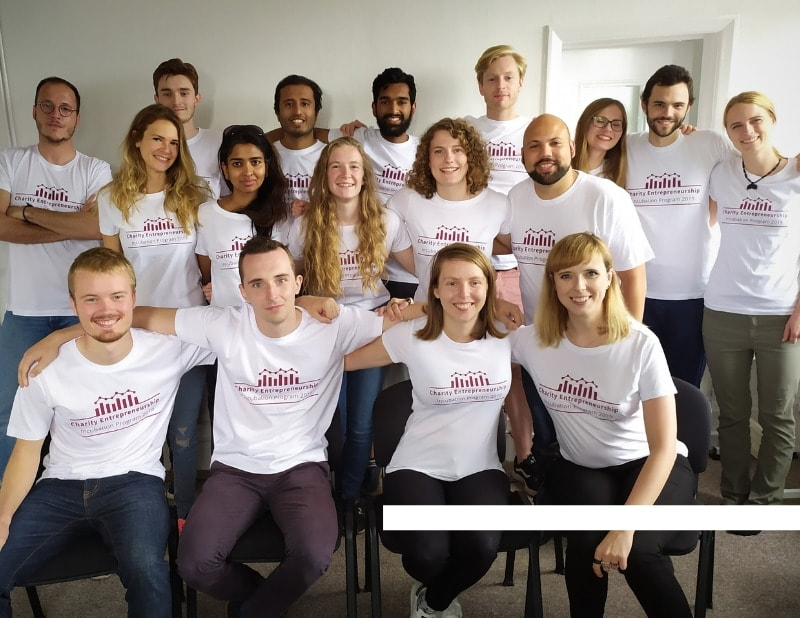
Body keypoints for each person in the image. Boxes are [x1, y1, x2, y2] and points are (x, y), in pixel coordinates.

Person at [0, 247, 214, 618]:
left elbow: (242, 326)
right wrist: (3, 517)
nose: (105, 309)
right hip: (59, 487)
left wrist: (303, 304)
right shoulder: (45, 367)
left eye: (116, 296)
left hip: (135, 484)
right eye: (91, 299)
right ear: (73, 304)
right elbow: (26, 451)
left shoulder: (169, 348)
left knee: (147, 571)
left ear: (133, 298)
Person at [511, 232, 695, 618]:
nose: (579, 286)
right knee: (586, 543)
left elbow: (664, 448)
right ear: (552, 283)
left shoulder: (640, 344)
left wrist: (625, 527)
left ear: (610, 278)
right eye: (566, 275)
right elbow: (466, 337)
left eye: (590, 273)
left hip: (650, 464)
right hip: (582, 468)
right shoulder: (532, 341)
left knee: (638, 552)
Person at [345, 243, 512, 618]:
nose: (463, 293)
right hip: (416, 465)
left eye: (474, 282)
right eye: (451, 283)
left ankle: (433, 601)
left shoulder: (508, 335)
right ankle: (436, 589)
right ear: (434, 288)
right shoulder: (412, 335)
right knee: (427, 553)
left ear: (489, 286)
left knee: (482, 548)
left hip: (479, 466)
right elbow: (346, 361)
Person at [507, 113, 653, 481]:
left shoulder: (606, 197)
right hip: (542, 341)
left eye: (555, 143)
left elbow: (633, 276)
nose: (545, 153)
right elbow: (497, 242)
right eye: (534, 146)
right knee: (546, 436)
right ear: (522, 155)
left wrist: (625, 342)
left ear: (572, 148)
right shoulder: (516, 198)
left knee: (594, 443)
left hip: (598, 342)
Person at [97, 103, 210, 527]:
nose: (166, 149)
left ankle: (185, 516)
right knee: (141, 430)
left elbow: (208, 262)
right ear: (137, 141)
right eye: (158, 139)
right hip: (139, 332)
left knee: (184, 434)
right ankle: (145, 515)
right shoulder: (112, 199)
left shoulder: (196, 196)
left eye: (174, 143)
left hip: (189, 330)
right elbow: (111, 273)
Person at [289, 137, 415, 499]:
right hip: (325, 330)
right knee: (336, 424)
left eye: (353, 166)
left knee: (361, 426)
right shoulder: (304, 225)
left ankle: (350, 499)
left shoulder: (387, 221)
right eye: (336, 166)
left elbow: (423, 269)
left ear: (365, 175)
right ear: (324, 174)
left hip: (372, 329)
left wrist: (409, 303)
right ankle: (329, 496)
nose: (345, 174)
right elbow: (290, 282)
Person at [0, 76, 112, 474]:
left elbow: (97, 228)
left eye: (65, 109)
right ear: (34, 111)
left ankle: (75, 486)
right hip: (23, 312)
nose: (55, 115)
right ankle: (10, 499)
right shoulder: (10, 161)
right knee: (10, 411)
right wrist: (72, 223)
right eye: (47, 106)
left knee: (84, 408)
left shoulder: (96, 169)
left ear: (76, 118)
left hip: (78, 312)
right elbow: (0, 226)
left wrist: (26, 212)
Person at [703, 91, 800, 505]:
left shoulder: (796, 174)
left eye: (756, 120)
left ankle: (765, 501)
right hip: (722, 312)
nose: (747, 131)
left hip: (781, 315)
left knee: (777, 415)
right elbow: (701, 224)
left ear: (772, 120)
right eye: (736, 125)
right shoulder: (721, 173)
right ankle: (734, 493)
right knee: (731, 413)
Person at [626, 65, 732, 387]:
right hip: (634, 291)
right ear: (644, 104)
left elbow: (744, 180)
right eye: (659, 104)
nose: (667, 113)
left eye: (677, 105)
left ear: (689, 107)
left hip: (693, 294)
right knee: (635, 387)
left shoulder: (710, 143)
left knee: (685, 389)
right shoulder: (625, 147)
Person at [387, 117, 511, 302]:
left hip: (476, 312)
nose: (448, 159)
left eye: (457, 150)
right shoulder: (408, 199)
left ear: (470, 156)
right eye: (439, 151)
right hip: (425, 311)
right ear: (427, 159)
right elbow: (381, 228)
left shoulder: (498, 204)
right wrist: (423, 271)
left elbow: (511, 245)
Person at [328, 67, 421, 299]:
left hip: (409, 272)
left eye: (401, 102)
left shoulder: (426, 150)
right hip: (364, 271)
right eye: (385, 101)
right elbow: (304, 135)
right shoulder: (358, 138)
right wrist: (259, 138)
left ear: (413, 107)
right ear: (374, 107)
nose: (393, 109)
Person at [196, 124, 289, 308]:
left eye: (255, 162)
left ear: (266, 166)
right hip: (223, 317)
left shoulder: (279, 213)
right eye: (237, 164)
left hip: (270, 315)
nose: (247, 172)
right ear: (225, 169)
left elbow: (285, 274)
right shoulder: (206, 214)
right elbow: (207, 273)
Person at [153, 58, 225, 199]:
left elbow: (233, 199)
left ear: (196, 98)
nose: (176, 101)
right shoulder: (147, 147)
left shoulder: (220, 142)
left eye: (184, 93)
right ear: (157, 99)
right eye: (167, 94)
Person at [270, 75, 326, 216]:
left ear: (316, 112)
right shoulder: (264, 156)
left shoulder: (332, 155)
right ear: (277, 113)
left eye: (305, 104)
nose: (297, 111)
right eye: (289, 104)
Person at [571, 97, 628, 187]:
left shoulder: (619, 175)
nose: (608, 129)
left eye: (616, 124)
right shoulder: (562, 166)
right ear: (585, 123)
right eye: (600, 121)